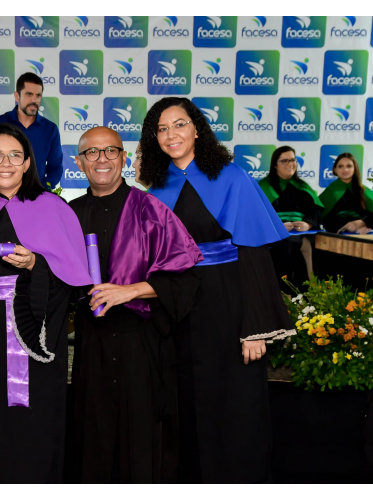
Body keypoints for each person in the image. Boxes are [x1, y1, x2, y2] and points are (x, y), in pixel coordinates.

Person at [140, 97, 295, 483]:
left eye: (179, 124)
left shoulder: (231, 177)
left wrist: (255, 327)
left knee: (235, 401)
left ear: (197, 129)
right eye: (161, 129)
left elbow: (254, 254)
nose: (171, 134)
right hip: (178, 306)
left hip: (228, 303)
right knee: (186, 400)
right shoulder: (155, 188)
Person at [68, 127, 202, 483]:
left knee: (141, 438)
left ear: (124, 158)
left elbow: (184, 280)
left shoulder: (151, 210)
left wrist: (129, 291)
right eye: (92, 153)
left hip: (141, 344)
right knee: (92, 435)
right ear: (79, 163)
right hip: (91, 344)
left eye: (110, 151)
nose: (102, 159)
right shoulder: (68, 215)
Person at [0, 123, 91, 483]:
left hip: (36, 325)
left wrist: (34, 265)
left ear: (28, 163)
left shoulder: (52, 207)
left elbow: (73, 281)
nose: (6, 163)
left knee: (36, 418)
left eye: (15, 155)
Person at [258, 146, 323, 291]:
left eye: (293, 160)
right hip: (275, 234)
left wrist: (308, 224)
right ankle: (283, 292)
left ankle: (312, 292)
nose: (290, 164)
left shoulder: (303, 187)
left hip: (302, 232)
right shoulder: (264, 187)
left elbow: (316, 212)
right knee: (287, 244)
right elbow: (256, 215)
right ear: (275, 165)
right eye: (284, 161)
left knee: (315, 243)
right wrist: (277, 226)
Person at [0, 73, 63, 190]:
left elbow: (56, 167)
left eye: (38, 95)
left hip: (36, 195)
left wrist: (42, 191)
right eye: (29, 94)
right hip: (1, 193)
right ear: (17, 96)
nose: (34, 100)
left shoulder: (50, 129)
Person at [319, 152, 373, 234]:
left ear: (355, 168)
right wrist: (348, 227)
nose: (345, 170)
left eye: (349, 166)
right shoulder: (330, 192)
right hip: (338, 235)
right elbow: (324, 218)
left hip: (365, 234)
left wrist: (362, 223)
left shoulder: (364, 191)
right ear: (335, 169)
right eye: (340, 166)